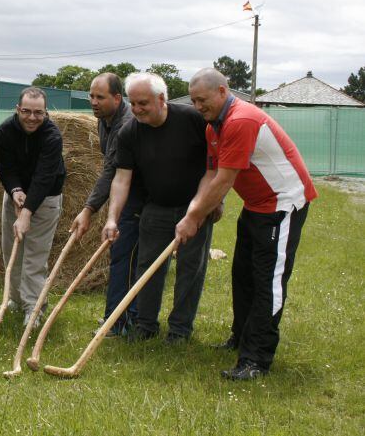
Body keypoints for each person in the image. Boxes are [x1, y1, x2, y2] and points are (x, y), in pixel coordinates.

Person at [177, 68, 318, 380]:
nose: (198, 106)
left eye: (203, 99)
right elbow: (214, 175)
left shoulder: (242, 120)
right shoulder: (214, 128)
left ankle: (256, 360)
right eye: (194, 101)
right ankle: (240, 339)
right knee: (243, 274)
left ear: (223, 92)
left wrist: (193, 217)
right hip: (256, 204)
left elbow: (225, 177)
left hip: (283, 203)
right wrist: (208, 205)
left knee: (268, 280)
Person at [103, 72, 215, 344]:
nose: (137, 109)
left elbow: (215, 166)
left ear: (161, 99)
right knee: (148, 267)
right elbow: (121, 178)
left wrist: (212, 203)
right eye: (133, 103)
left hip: (194, 209)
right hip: (155, 208)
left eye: (143, 103)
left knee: (191, 268)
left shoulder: (192, 120)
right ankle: (145, 325)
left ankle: (179, 329)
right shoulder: (130, 131)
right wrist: (111, 219)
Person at [69, 73, 144, 336]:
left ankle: (123, 321)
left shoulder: (125, 124)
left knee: (127, 257)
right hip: (123, 192)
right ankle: (118, 319)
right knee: (122, 256)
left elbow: (111, 170)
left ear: (117, 97)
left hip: (139, 197)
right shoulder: (104, 121)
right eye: (91, 96)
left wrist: (88, 209)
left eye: (99, 97)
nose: (93, 102)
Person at [0, 87, 65, 328]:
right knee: (11, 251)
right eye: (26, 111)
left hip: (46, 198)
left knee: (35, 256)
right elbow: (5, 167)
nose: (32, 117)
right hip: (15, 194)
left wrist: (27, 213)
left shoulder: (52, 136)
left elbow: (45, 177)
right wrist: (15, 192)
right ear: (17, 109)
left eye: (38, 113)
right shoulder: (4, 131)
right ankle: (15, 299)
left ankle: (33, 308)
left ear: (45, 112)